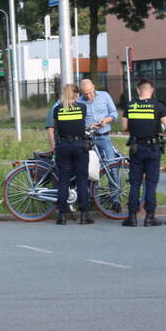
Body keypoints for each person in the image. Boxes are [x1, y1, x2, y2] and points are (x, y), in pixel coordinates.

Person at [120, 78, 166, 227]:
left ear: (138, 90)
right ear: (152, 90)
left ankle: (132, 217)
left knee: (135, 183)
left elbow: (124, 127)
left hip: (136, 148)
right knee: (151, 183)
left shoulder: (129, 106)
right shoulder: (158, 106)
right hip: (153, 148)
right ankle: (150, 217)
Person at [47, 83, 94, 225]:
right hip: (79, 146)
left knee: (63, 181)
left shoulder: (58, 109)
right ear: (75, 94)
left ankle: (61, 215)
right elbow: (80, 124)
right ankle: (84, 215)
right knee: (82, 179)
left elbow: (56, 127)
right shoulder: (82, 108)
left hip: (63, 147)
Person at [79, 78, 119, 163]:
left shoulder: (105, 95)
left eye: (90, 93)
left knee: (111, 163)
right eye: (85, 94)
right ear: (81, 92)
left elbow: (114, 113)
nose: (89, 96)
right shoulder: (78, 101)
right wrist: (86, 127)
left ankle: (114, 177)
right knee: (91, 167)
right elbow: (77, 121)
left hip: (103, 136)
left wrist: (105, 120)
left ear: (93, 87)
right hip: (87, 139)